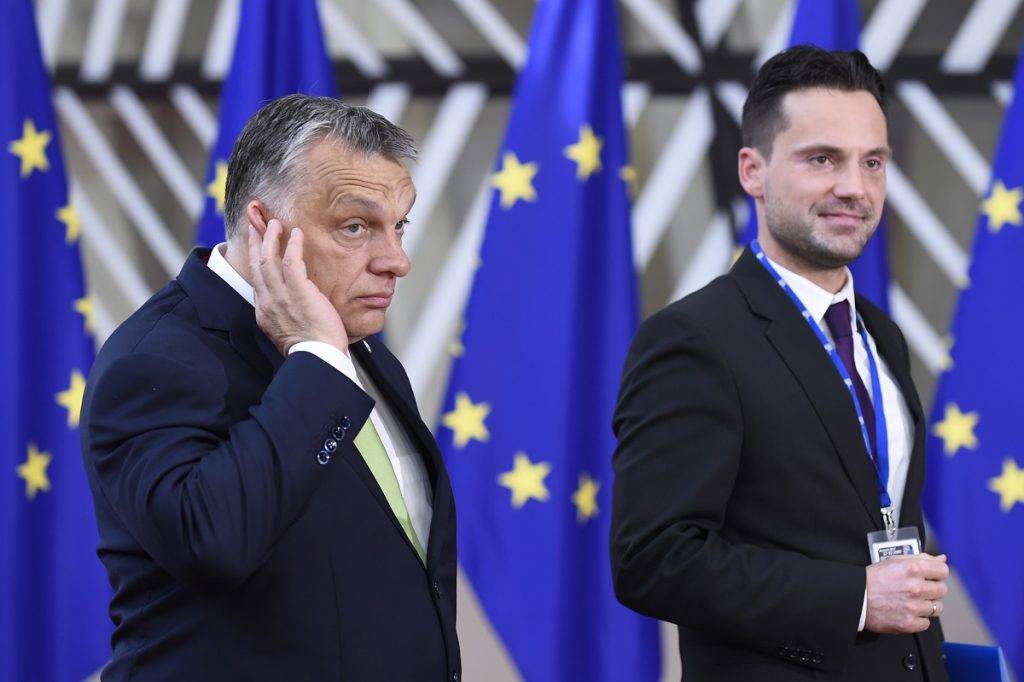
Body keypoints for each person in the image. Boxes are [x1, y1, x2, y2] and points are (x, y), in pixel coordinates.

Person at [80, 95, 461, 681]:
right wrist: (313, 359)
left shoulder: (364, 356)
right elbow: (214, 541)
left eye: (399, 226)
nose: (396, 261)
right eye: (356, 227)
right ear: (264, 229)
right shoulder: (152, 360)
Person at [610, 46, 949, 681]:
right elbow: (652, 559)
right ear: (753, 171)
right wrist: (856, 599)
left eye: (872, 162)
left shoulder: (881, 335)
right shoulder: (692, 340)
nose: (854, 187)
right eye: (822, 159)